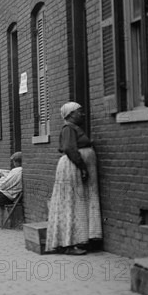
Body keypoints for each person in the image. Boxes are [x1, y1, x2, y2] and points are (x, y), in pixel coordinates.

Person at [45, 102, 102, 255]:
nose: (82, 114)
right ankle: (68, 244)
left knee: (78, 204)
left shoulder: (74, 128)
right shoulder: (68, 128)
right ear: (70, 115)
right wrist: (82, 167)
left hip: (76, 166)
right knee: (71, 203)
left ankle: (79, 240)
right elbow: (70, 149)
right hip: (73, 167)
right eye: (79, 112)